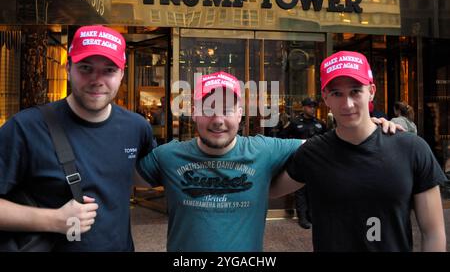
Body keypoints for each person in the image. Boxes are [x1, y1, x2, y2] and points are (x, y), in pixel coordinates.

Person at [137, 71, 400, 252]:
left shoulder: (264, 149)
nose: (218, 119)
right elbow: (119, 176)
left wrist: (369, 127)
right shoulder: (168, 155)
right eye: (208, 108)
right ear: (194, 112)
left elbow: (331, 147)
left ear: (240, 113)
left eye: (227, 109)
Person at [270, 50, 448, 251]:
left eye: (355, 91)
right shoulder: (313, 152)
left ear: (371, 91)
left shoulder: (412, 149)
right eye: (337, 93)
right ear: (325, 97)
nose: (347, 104)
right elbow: (267, 189)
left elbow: (433, 233)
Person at [0, 25, 154, 251]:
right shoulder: (26, 128)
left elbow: (148, 176)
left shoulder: (136, 127)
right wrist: (54, 220)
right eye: (85, 68)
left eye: (109, 70)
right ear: (68, 68)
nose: (97, 80)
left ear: (122, 73)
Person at [291, 97, 326, 229]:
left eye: (314, 107)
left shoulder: (320, 124)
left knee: (313, 188)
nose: (312, 109)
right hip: (299, 158)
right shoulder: (295, 123)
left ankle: (311, 215)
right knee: (300, 188)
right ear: (304, 107)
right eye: (310, 106)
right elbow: (285, 137)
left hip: (316, 160)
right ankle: (302, 217)